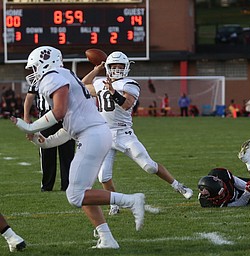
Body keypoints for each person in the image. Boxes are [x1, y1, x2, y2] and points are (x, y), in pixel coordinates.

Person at [10, 46, 145, 249]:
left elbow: (59, 111)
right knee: (82, 192)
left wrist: (29, 125)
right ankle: (107, 238)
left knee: (75, 195)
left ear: (45, 63)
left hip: (92, 135)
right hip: (94, 133)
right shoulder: (66, 74)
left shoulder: (53, 76)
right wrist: (45, 142)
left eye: (35, 67)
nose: (33, 72)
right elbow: (69, 127)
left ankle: (131, 201)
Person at [82, 51, 193, 215]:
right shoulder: (100, 82)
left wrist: (112, 91)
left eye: (121, 66)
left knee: (148, 166)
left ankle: (179, 186)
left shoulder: (130, 84)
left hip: (123, 133)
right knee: (103, 176)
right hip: (104, 134)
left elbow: (126, 104)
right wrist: (97, 69)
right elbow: (82, 85)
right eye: (114, 66)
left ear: (126, 68)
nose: (117, 69)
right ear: (108, 67)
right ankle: (114, 204)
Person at [24, 88, 75, 192]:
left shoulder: (64, 77)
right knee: (46, 151)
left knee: (67, 152)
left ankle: (68, 184)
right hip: (46, 116)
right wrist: (26, 116)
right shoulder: (38, 79)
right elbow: (29, 97)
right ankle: (47, 185)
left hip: (65, 116)